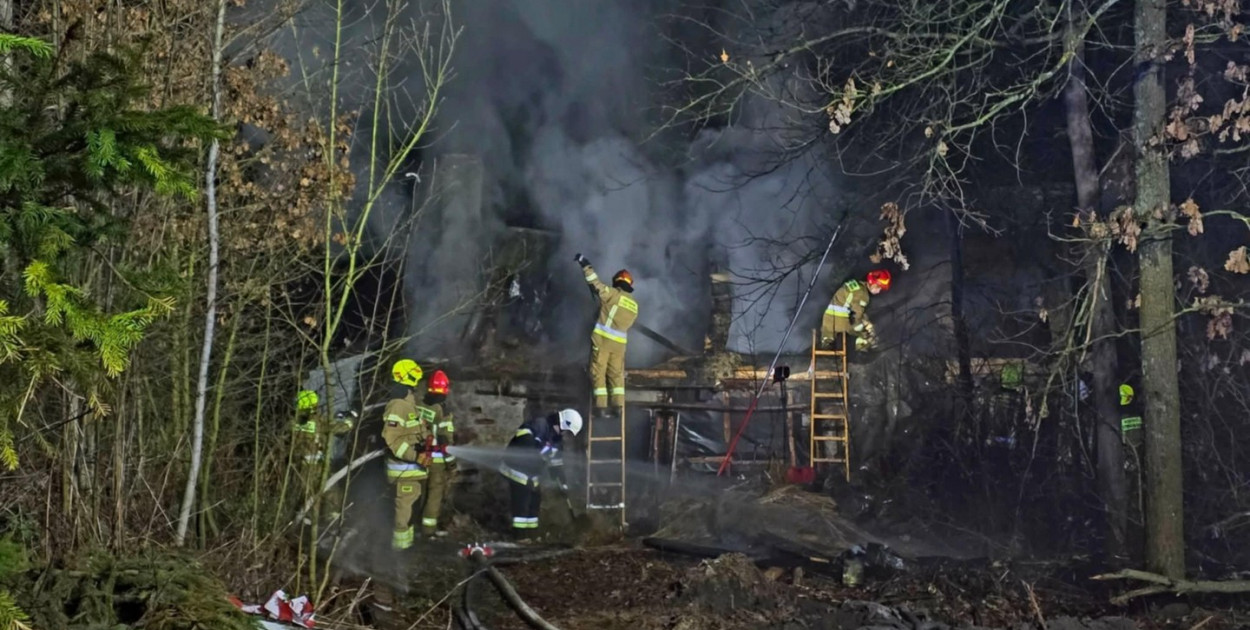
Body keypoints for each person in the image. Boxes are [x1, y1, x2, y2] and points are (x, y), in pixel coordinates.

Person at [498, 409, 583, 537]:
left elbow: (556, 464)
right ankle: (520, 536)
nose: (566, 435)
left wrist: (562, 483)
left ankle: (532, 535)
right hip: (517, 469)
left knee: (535, 501)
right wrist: (541, 449)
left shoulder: (556, 440)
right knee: (522, 502)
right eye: (568, 431)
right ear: (563, 424)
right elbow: (524, 441)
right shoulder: (540, 425)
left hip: (531, 472)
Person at [575, 253, 639, 418]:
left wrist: (585, 265)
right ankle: (618, 408)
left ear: (617, 282)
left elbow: (596, 285)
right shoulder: (634, 305)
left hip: (603, 342)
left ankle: (601, 408)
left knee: (598, 373)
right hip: (619, 346)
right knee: (616, 376)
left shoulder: (613, 294)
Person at [381, 359, 429, 550]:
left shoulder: (408, 403)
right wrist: (415, 456)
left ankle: (408, 546)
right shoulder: (398, 404)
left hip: (412, 470)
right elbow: (391, 438)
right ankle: (399, 554)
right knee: (404, 512)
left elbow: (411, 434)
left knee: (411, 511)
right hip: (403, 471)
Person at [291, 389, 353, 525]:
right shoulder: (316, 420)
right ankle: (332, 520)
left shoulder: (292, 422)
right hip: (318, 465)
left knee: (307, 495)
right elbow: (340, 427)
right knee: (330, 490)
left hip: (299, 466)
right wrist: (349, 419)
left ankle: (306, 523)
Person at [418, 370, 456, 538]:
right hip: (436, 460)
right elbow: (445, 439)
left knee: (419, 492)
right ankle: (428, 531)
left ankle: (413, 525)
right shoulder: (443, 411)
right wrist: (451, 462)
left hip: (418, 457)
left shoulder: (419, 404)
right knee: (434, 495)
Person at [821, 270, 891, 351]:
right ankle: (862, 351)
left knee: (865, 322)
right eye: (878, 287)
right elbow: (857, 317)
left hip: (828, 320)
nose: (879, 291)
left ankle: (826, 343)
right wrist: (865, 331)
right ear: (872, 283)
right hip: (840, 321)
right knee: (866, 332)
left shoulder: (858, 286)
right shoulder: (863, 295)